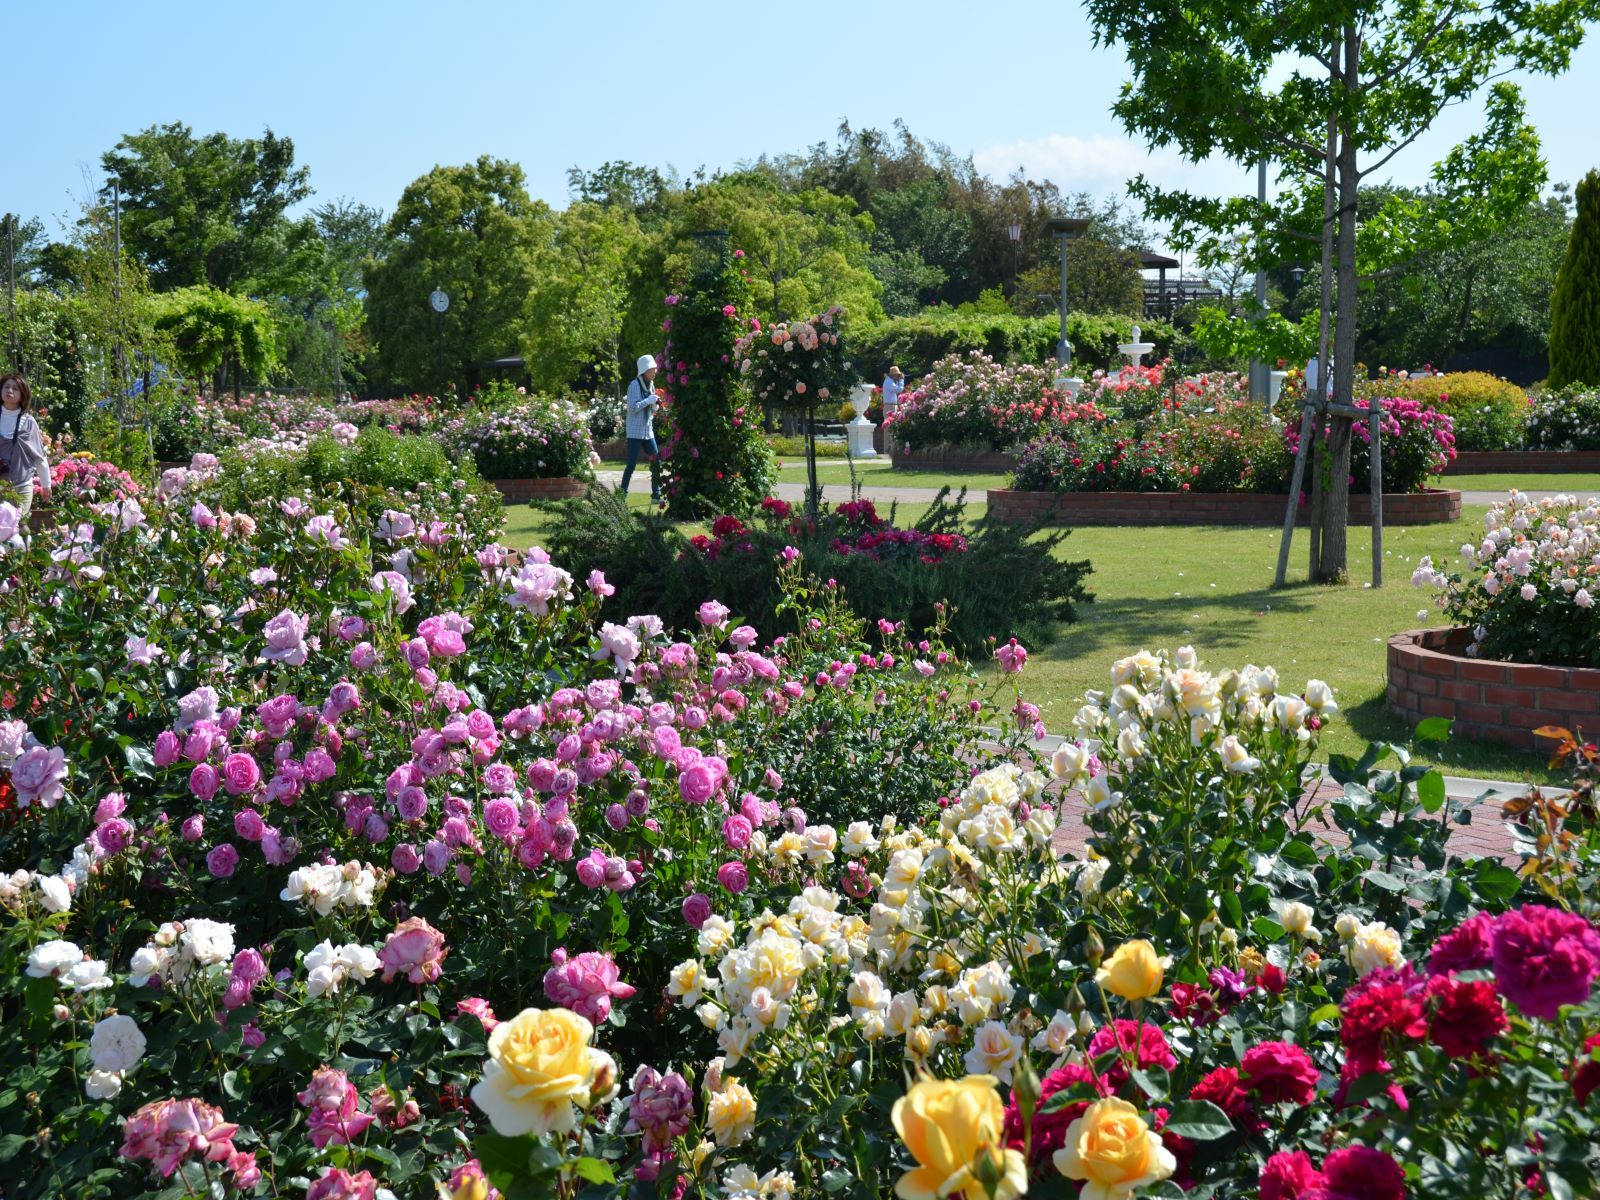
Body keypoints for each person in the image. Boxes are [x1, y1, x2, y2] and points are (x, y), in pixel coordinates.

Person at [0, 372, 51, 521]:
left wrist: (46, 484)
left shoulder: (29, 423)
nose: (10, 391)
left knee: (15, 528)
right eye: (6, 387)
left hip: (21, 487)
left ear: (23, 394)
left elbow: (39, 456)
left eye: (15, 388)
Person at [620, 355, 662, 504]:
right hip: (635, 431)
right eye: (652, 369)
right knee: (631, 464)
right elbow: (632, 407)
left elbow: (650, 408)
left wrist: (655, 404)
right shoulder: (634, 385)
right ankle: (622, 494)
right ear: (644, 370)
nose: (655, 371)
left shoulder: (651, 385)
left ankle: (656, 495)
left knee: (656, 461)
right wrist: (648, 401)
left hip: (647, 430)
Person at [881, 365, 904, 457]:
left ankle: (888, 449)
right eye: (897, 375)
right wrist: (901, 380)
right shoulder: (889, 382)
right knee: (889, 429)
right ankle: (888, 449)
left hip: (890, 406)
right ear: (893, 375)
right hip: (889, 407)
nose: (898, 377)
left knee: (889, 429)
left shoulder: (889, 381)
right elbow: (899, 389)